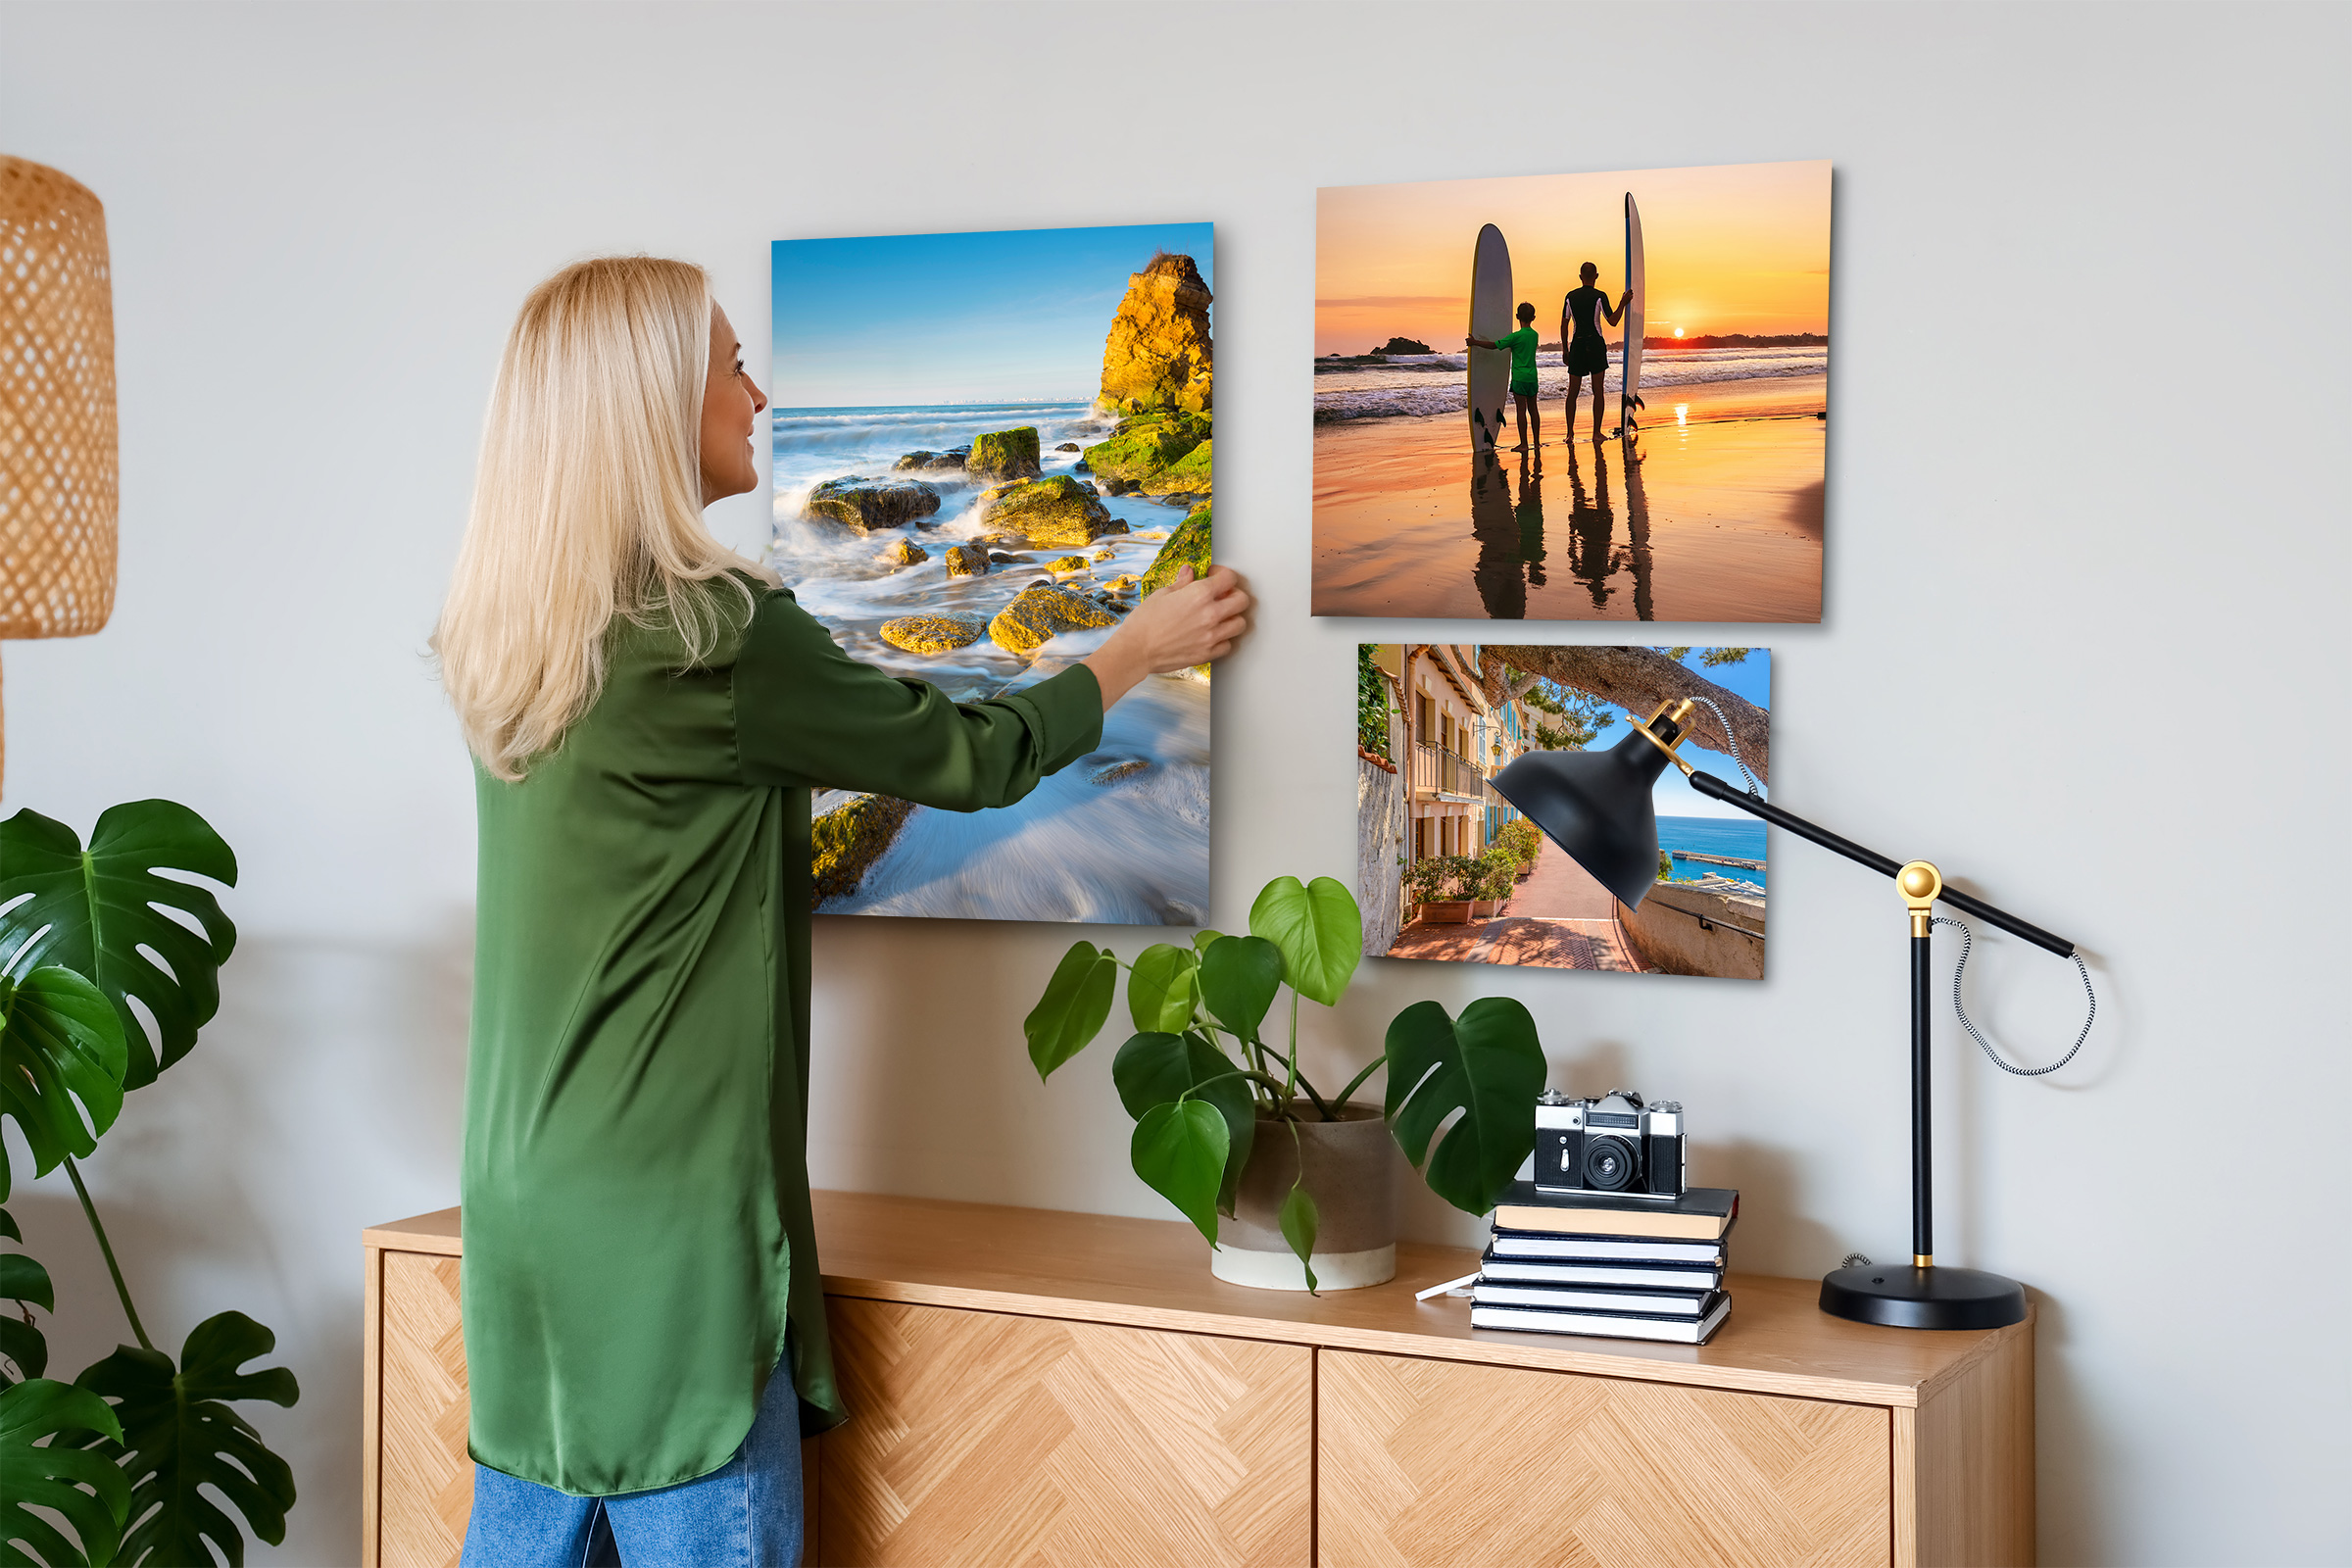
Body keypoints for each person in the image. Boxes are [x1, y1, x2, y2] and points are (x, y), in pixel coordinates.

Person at [431, 257, 1250, 1567]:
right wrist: (1135, 649)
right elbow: (969, 755)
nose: (757, 395)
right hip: (664, 1225)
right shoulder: (715, 634)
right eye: (729, 366)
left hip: (521, 1206)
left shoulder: (516, 637)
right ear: (650, 407)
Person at [1559, 261, 1630, 443]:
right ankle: (1596, 433)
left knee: (1572, 391)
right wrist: (1623, 302)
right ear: (1596, 276)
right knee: (1598, 390)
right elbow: (1613, 320)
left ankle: (1569, 434)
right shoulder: (1600, 296)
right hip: (1595, 344)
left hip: (1577, 345)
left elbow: (1564, 323)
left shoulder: (1570, 296)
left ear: (1580, 277)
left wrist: (1565, 350)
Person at [1467, 301, 1544, 460]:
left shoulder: (1516, 337)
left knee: (1521, 411)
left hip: (1519, 378)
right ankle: (1536, 443)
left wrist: (1475, 343)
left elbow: (1495, 345)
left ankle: (1524, 444)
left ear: (1516, 316)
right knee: (1533, 410)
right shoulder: (1534, 335)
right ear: (1533, 318)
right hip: (1532, 377)